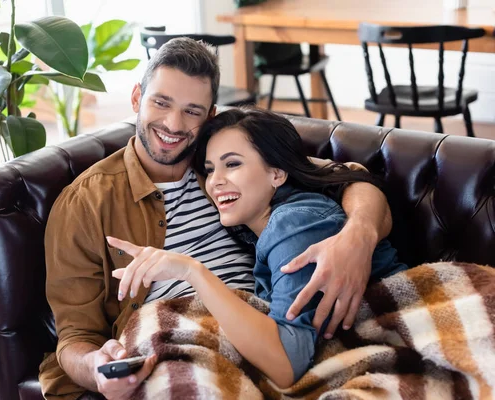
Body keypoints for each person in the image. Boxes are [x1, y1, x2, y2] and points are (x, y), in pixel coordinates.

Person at [39, 38, 393, 400]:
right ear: (136, 99)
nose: (174, 124)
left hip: (267, 326)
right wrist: (98, 369)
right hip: (174, 334)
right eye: (161, 103)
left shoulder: (223, 161)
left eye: (192, 111)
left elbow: (348, 176)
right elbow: (74, 337)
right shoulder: (86, 202)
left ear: (209, 116)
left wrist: (358, 237)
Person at [108, 107, 408, 388]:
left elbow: (286, 365)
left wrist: (191, 271)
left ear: (277, 173)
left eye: (233, 164)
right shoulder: (257, 219)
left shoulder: (292, 223)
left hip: (399, 328)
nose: (215, 182)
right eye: (210, 169)